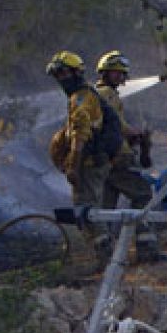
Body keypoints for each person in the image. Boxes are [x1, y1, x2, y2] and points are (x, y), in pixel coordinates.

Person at [92, 50, 159, 258]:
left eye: (123, 74)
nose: (121, 78)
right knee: (143, 195)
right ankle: (146, 248)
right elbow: (115, 123)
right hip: (118, 159)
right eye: (117, 73)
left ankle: (105, 254)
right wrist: (134, 133)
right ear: (105, 72)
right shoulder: (106, 95)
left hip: (104, 160)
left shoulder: (97, 94)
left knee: (106, 208)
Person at [46, 51, 111, 247]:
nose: (60, 79)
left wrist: (73, 166)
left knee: (88, 212)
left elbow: (80, 133)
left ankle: (106, 260)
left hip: (87, 164)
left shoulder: (80, 98)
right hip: (93, 162)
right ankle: (105, 255)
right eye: (57, 75)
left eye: (64, 73)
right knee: (92, 210)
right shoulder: (84, 95)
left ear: (76, 73)